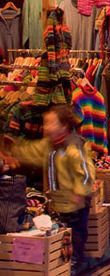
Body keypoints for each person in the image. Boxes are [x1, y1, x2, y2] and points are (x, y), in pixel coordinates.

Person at [1, 105, 96, 272]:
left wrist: (80, 192)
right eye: (45, 123)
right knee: (62, 235)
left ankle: (77, 261)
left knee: (77, 234)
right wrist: (13, 150)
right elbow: (31, 150)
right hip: (56, 201)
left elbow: (86, 173)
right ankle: (64, 263)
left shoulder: (74, 147)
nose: (46, 127)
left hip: (75, 204)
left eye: (51, 123)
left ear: (64, 126)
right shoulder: (49, 145)